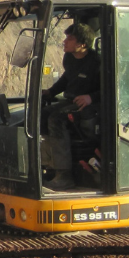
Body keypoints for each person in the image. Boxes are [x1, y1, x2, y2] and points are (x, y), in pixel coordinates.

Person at [41, 23, 100, 190]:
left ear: (82, 44)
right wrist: (51, 92)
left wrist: (91, 97)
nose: (65, 41)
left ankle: (64, 175)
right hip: (71, 102)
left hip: (92, 106)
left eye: (70, 38)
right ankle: (49, 164)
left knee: (56, 119)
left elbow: (111, 89)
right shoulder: (69, 58)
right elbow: (67, 79)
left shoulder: (97, 63)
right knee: (40, 115)